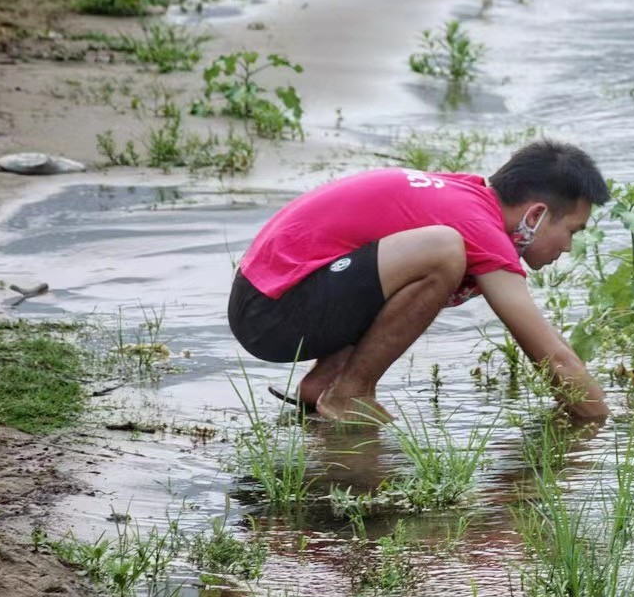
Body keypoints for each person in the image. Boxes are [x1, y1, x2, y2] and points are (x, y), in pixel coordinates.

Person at [228, 140, 611, 423]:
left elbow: (552, 344)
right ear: (536, 215)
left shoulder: (472, 198)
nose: (569, 247)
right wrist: (602, 426)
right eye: (573, 231)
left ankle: (324, 386)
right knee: (443, 249)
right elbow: (550, 353)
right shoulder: (477, 226)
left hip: (274, 298)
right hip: (271, 312)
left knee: (433, 252)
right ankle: (349, 395)